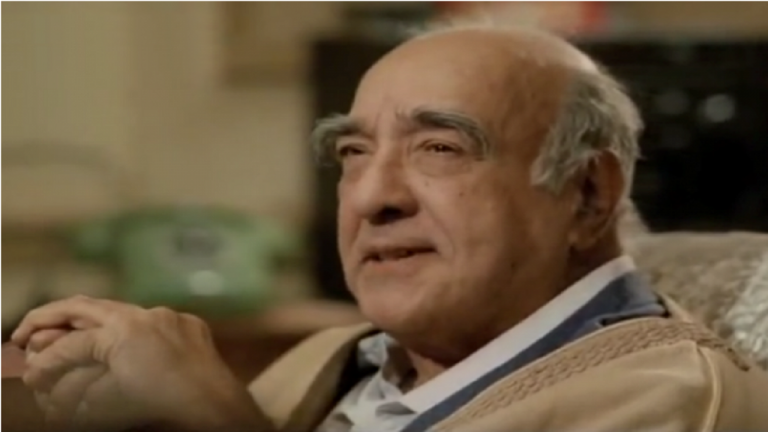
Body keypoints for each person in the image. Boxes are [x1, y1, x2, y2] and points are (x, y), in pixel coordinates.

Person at [10, 23, 768, 432]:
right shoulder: (339, 354)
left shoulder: (667, 403)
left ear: (588, 193)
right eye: (353, 153)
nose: (371, 196)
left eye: (440, 148)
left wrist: (213, 417)